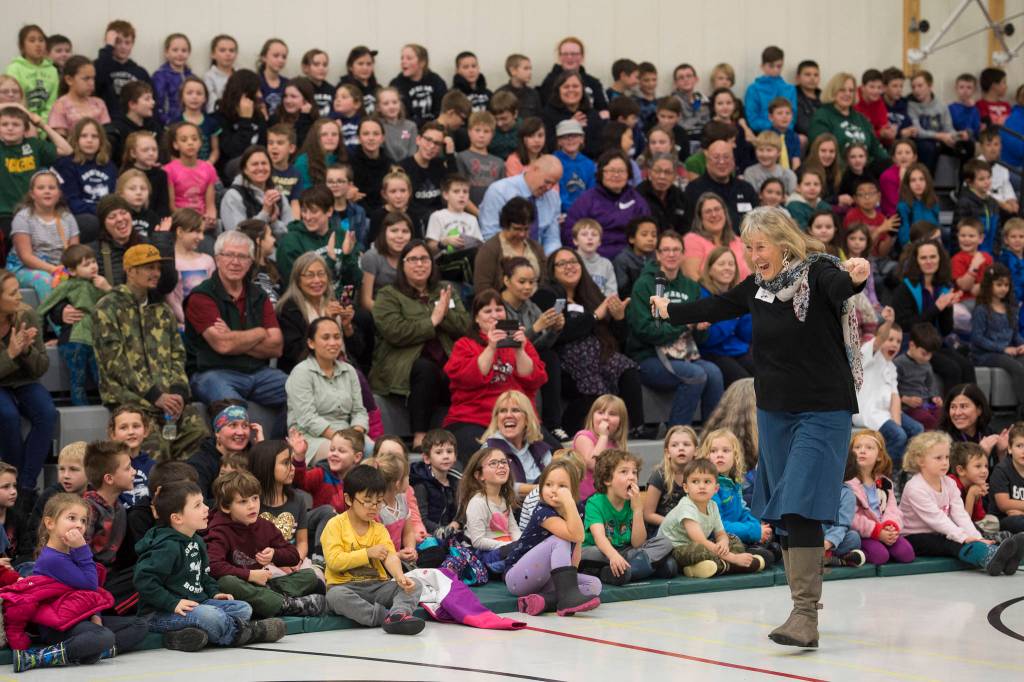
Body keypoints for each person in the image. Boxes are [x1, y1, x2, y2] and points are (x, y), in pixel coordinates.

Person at [651, 206, 870, 649]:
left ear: (784, 242)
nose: (753, 255)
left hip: (822, 410)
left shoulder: (818, 273)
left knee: (802, 504)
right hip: (775, 411)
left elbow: (844, 284)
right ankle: (801, 606)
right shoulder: (759, 286)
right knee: (784, 510)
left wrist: (859, 275)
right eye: (747, 248)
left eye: (760, 246)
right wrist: (671, 311)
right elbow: (719, 304)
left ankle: (804, 614)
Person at [135, 481, 286, 652]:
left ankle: (180, 636)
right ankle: (248, 632)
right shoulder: (166, 547)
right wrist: (172, 603)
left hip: (196, 604)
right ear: (177, 518)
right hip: (160, 613)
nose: (206, 508)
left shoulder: (196, 540)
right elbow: (144, 580)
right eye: (198, 505)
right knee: (210, 616)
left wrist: (214, 593)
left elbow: (204, 575)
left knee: (243, 609)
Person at [9, 493, 148, 672]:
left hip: (78, 617)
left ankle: (91, 651)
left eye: (83, 520)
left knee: (139, 625)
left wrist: (96, 615)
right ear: (50, 523)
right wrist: (82, 549)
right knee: (104, 637)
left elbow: (92, 592)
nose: (79, 525)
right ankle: (42, 657)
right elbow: (90, 584)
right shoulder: (52, 559)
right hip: (57, 626)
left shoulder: (72, 552)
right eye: (71, 518)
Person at [91, 244, 205, 459]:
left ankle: (185, 489)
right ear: (130, 270)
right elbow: (115, 363)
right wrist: (155, 395)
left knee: (198, 434)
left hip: (167, 398)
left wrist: (178, 392)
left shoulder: (162, 309)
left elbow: (177, 355)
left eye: (158, 268)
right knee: (153, 449)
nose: (156, 273)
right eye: (149, 267)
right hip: (130, 400)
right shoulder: (107, 308)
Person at [369, 240, 469, 448]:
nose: (420, 264)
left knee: (462, 369)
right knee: (426, 369)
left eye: (424, 259)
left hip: (446, 359)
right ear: (402, 265)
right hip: (403, 364)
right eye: (413, 259)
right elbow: (394, 331)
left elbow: (465, 326)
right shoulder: (388, 294)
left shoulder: (444, 289)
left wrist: (444, 313)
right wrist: (432, 321)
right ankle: (420, 436)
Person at [184, 230, 287, 421]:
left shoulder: (259, 295)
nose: (235, 262)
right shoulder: (201, 296)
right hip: (213, 373)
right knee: (234, 411)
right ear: (217, 259)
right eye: (229, 255)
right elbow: (223, 345)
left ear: (250, 262)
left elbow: (276, 347)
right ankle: (240, 452)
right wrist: (259, 332)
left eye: (242, 256)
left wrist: (233, 338)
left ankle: (278, 449)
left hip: (259, 374)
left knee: (299, 393)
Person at [539, 247, 642, 434]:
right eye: (562, 263)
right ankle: (575, 429)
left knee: (628, 368)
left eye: (573, 262)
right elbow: (559, 334)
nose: (569, 266)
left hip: (599, 354)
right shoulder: (547, 295)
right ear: (552, 270)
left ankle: (636, 427)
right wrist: (594, 316)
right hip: (566, 358)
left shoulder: (591, 292)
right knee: (592, 380)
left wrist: (619, 318)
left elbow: (616, 336)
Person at [627, 230, 724, 427]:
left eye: (676, 250)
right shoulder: (644, 285)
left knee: (714, 373)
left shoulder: (691, 286)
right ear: (658, 254)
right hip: (649, 358)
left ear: (682, 254)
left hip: (685, 355)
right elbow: (645, 330)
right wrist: (685, 324)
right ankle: (677, 434)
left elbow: (701, 338)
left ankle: (712, 436)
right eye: (666, 250)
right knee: (695, 375)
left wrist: (700, 327)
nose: (671, 254)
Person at [898, 431, 1024, 575]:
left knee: (965, 535)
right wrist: (964, 537)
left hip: (939, 531)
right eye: (938, 458)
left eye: (946, 457)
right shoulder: (915, 487)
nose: (945, 462)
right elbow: (937, 520)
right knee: (952, 542)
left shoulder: (949, 483)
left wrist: (977, 538)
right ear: (920, 461)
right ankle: (988, 558)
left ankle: (1005, 559)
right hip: (914, 536)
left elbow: (960, 515)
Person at [443, 289, 547, 461]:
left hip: (518, 420)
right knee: (488, 459)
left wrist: (520, 350)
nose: (495, 315)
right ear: (476, 318)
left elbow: (535, 380)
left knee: (555, 455)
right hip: (474, 418)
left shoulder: (522, 344)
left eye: (499, 309)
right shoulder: (465, 344)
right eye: (487, 311)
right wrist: (491, 347)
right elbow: (468, 379)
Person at [321, 464, 425, 635]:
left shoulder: (378, 529)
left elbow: (390, 556)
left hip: (377, 586)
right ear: (348, 499)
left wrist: (400, 577)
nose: (374, 507)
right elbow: (334, 561)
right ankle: (386, 618)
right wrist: (367, 553)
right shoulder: (335, 525)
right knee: (335, 597)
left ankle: (398, 614)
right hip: (345, 587)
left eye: (378, 502)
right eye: (367, 501)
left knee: (415, 585)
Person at [205, 471, 325, 618]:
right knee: (226, 582)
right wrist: (249, 575)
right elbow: (213, 566)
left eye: (255, 498)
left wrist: (275, 554)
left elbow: (293, 556)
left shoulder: (264, 526)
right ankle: (286, 605)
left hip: (262, 586)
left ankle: (270, 602)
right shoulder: (218, 530)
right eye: (243, 501)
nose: (252, 506)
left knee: (310, 575)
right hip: (238, 588)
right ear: (226, 507)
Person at [503, 458, 602, 616]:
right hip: (518, 577)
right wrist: (569, 502)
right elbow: (576, 535)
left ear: (573, 489)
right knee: (560, 538)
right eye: (548, 485)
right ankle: (565, 597)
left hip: (548, 579)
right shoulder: (542, 511)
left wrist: (571, 581)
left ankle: (544, 601)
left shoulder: (578, 510)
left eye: (562, 486)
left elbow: (577, 543)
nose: (554, 490)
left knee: (594, 584)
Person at [658, 458, 766, 578]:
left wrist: (723, 543)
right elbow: (700, 541)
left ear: (716, 488)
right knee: (701, 549)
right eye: (695, 481)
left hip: (702, 545)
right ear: (686, 488)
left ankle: (708, 567)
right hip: (675, 550)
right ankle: (734, 565)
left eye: (707, 481)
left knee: (733, 538)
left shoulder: (713, 505)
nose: (701, 486)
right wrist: (733, 557)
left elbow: (720, 533)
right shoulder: (686, 507)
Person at [0, 269, 55, 499]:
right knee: (8, 416)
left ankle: (24, 486)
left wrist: (26, 351)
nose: (20, 297)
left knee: (47, 413)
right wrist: (10, 353)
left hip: (23, 380)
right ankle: (12, 481)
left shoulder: (27, 315)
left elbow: (42, 366)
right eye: (13, 293)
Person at [892, 240, 976, 389]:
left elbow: (945, 330)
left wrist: (948, 308)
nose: (929, 261)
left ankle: (972, 409)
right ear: (916, 261)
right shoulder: (905, 288)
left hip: (937, 344)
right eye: (923, 258)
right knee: (952, 369)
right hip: (914, 346)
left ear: (940, 259)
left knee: (967, 366)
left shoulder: (943, 286)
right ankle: (951, 411)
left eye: (933, 257)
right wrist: (937, 307)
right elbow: (906, 326)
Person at [286, 317, 369, 463]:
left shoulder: (349, 371)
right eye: (326, 337)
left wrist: (355, 436)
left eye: (337, 337)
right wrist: (343, 440)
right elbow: (307, 418)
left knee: (384, 452)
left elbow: (359, 411)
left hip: (348, 435)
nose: (333, 343)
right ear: (311, 343)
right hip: (310, 438)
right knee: (344, 457)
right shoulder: (301, 372)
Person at [854, 309, 922, 467]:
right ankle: (886, 474)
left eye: (898, 341)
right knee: (898, 436)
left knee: (917, 429)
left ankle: (906, 470)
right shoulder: (868, 354)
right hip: (867, 412)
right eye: (890, 339)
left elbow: (895, 397)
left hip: (884, 413)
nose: (894, 344)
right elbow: (879, 339)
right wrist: (889, 322)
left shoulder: (891, 366)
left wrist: (897, 423)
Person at [6, 169, 79, 304]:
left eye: (52, 188)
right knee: (45, 280)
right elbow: (25, 256)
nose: (47, 191)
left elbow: (75, 253)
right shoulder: (23, 218)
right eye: (41, 188)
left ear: (59, 194)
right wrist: (52, 270)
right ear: (32, 194)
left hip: (60, 267)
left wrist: (65, 269)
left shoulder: (68, 218)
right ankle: (54, 322)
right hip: (25, 268)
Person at [844, 430, 915, 565]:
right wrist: (876, 531)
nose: (862, 451)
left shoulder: (885, 482)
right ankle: (849, 554)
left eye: (869, 447)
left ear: (879, 456)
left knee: (907, 554)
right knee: (880, 557)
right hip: (862, 533)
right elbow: (851, 517)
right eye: (857, 447)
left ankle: (885, 544)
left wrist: (890, 526)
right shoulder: (848, 483)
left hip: (883, 529)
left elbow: (893, 509)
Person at [563, 150, 650, 259]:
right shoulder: (586, 200)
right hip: (594, 258)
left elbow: (647, 232)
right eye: (611, 171)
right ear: (601, 173)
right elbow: (570, 232)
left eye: (621, 171)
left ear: (629, 174)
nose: (616, 175)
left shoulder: (637, 200)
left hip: (629, 260)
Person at [478, 154, 563, 255]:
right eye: (547, 182)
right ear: (535, 169)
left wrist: (552, 260)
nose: (549, 188)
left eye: (553, 184)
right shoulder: (499, 191)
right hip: (505, 256)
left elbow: (552, 238)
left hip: (539, 258)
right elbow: (490, 235)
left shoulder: (553, 198)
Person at [698, 247, 755, 386]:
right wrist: (732, 317)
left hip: (737, 349)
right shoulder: (702, 295)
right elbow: (709, 339)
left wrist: (750, 310)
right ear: (710, 270)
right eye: (721, 264)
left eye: (731, 264)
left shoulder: (737, 293)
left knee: (766, 372)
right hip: (712, 353)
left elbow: (746, 335)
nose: (727, 268)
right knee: (745, 383)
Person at [808, 72, 889, 170]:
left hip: (865, 170)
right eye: (842, 90)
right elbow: (822, 152)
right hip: (837, 172)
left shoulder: (861, 118)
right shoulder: (822, 116)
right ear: (833, 91)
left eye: (851, 90)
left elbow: (876, 148)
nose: (847, 94)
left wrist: (892, 166)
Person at [456, 446, 522, 560]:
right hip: (485, 555)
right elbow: (477, 541)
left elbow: (514, 529)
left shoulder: (503, 499)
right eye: (493, 463)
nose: (501, 466)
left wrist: (521, 544)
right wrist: (509, 546)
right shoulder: (477, 502)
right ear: (479, 475)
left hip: (506, 549)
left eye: (503, 462)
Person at [481, 390, 554, 488]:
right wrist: (537, 489)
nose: (508, 415)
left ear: (527, 419)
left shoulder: (541, 449)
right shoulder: (489, 449)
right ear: (496, 419)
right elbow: (497, 487)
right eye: (503, 411)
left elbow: (554, 482)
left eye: (515, 410)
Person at [682, 137, 758, 229]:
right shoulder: (693, 190)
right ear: (707, 161)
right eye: (716, 157)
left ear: (733, 161)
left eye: (726, 157)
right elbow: (690, 226)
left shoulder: (746, 189)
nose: (721, 162)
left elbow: (757, 224)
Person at [474, 196, 547, 293]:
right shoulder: (489, 250)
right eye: (517, 229)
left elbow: (546, 280)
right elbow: (482, 288)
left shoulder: (536, 248)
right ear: (505, 224)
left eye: (526, 229)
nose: (522, 234)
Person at [683, 192, 751, 281]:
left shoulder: (739, 241)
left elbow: (752, 274)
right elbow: (692, 276)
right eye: (708, 211)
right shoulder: (692, 240)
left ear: (725, 213)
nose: (714, 215)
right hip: (708, 294)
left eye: (717, 209)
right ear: (700, 217)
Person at [642, 426, 698, 533]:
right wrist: (675, 523)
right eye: (674, 445)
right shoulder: (659, 476)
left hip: (691, 528)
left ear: (695, 451)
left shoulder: (700, 476)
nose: (681, 448)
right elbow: (648, 515)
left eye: (686, 444)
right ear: (667, 452)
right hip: (663, 529)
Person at [93, 20, 150, 118]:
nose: (123, 47)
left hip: (135, 122)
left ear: (132, 44)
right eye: (118, 42)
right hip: (109, 122)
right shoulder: (101, 66)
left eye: (127, 43)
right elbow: (98, 80)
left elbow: (150, 100)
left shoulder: (140, 72)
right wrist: (108, 48)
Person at [541, 71, 604, 158]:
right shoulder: (547, 114)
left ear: (582, 89)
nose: (571, 90)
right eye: (566, 87)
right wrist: (569, 126)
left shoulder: (592, 114)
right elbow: (546, 146)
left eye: (575, 86)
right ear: (558, 90)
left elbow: (599, 147)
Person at [538, 37, 608, 115]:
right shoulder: (550, 81)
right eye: (565, 54)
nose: (569, 57)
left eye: (574, 54)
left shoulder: (593, 83)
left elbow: (603, 110)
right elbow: (545, 110)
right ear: (559, 57)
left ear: (582, 57)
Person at [47, 55, 110, 139]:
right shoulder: (61, 106)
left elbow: (107, 134)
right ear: (69, 80)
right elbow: (59, 140)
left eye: (93, 78)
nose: (91, 83)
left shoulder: (99, 103)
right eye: (86, 79)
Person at [409, 429, 460, 533]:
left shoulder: (457, 480)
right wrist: (444, 531)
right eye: (439, 452)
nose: (446, 456)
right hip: (428, 536)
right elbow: (421, 520)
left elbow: (462, 510)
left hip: (451, 533)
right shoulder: (420, 483)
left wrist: (457, 522)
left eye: (449, 451)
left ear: (455, 456)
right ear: (427, 458)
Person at [390, 44, 447, 126]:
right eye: (402, 58)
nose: (403, 61)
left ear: (422, 62)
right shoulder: (396, 84)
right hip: (408, 129)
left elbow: (442, 109)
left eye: (409, 58)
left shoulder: (436, 81)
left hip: (434, 128)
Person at [744, 46, 797, 134]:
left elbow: (793, 117)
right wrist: (774, 127)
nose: (776, 69)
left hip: (785, 132)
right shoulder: (753, 89)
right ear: (762, 66)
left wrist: (783, 129)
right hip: (762, 134)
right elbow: (753, 119)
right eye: (771, 66)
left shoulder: (790, 89)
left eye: (779, 66)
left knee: (800, 140)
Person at [991, 423, 1024, 533]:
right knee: (1017, 522)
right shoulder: (1002, 470)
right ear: (1010, 448)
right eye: (1019, 446)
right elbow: (1004, 504)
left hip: (1021, 515)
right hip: (1003, 520)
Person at [204, 35, 237, 114]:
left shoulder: (241, 75)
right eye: (222, 50)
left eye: (231, 50)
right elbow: (211, 106)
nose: (228, 54)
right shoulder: (209, 77)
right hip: (218, 117)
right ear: (213, 54)